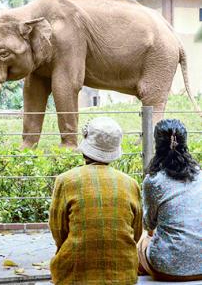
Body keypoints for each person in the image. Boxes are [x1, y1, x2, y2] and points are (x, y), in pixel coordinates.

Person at [49, 117, 142, 284]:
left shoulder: (65, 180)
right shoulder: (131, 184)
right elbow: (137, 232)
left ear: (85, 146)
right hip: (124, 275)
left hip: (74, 274)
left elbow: (58, 230)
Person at [138, 119, 202, 281]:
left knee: (143, 243)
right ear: (185, 142)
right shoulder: (200, 176)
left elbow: (149, 226)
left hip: (166, 268)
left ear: (157, 145)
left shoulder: (153, 181)